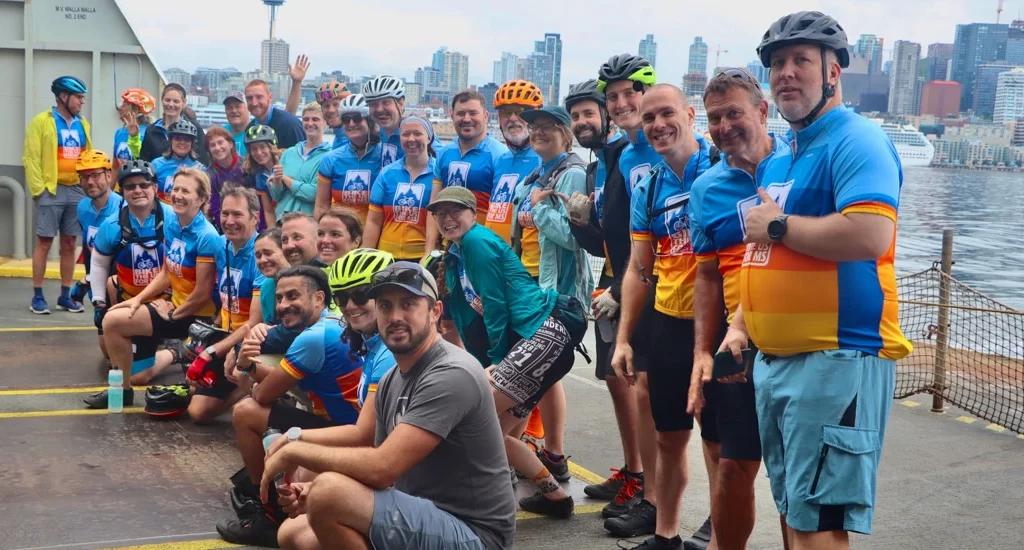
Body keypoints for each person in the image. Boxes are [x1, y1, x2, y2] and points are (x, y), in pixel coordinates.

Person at [714, 13, 911, 550]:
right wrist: (740, 323)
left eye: (801, 60)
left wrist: (776, 224)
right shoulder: (785, 157)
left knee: (819, 525)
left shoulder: (857, 140)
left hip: (836, 358)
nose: (786, 73)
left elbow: (869, 234)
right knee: (798, 513)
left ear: (833, 72)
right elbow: (767, 255)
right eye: (777, 63)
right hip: (779, 365)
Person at [260, 261, 515, 550]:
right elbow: (379, 464)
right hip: (422, 512)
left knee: (328, 492)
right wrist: (308, 490)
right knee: (295, 532)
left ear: (435, 312)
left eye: (408, 304)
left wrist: (296, 449)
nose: (395, 316)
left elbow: (383, 468)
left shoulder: (452, 372)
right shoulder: (393, 376)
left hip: (474, 534)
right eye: (384, 306)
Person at [428, 186, 587, 519]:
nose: (447, 219)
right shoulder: (457, 255)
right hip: (542, 343)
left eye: (455, 211)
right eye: (440, 214)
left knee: (469, 415)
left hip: (543, 335)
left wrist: (499, 362)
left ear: (473, 213)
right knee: (496, 434)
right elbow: (468, 317)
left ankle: (459, 500)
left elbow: (496, 306)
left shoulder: (476, 242)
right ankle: (556, 498)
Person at [607, 84, 719, 549]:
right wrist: (625, 339)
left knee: (718, 443)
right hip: (669, 323)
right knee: (670, 438)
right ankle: (665, 535)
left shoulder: (722, 169)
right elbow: (638, 267)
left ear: (691, 115)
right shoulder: (649, 184)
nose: (657, 125)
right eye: (649, 118)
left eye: (667, 114)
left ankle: (721, 524)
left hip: (717, 325)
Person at [688, 67, 791, 550]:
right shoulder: (708, 188)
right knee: (733, 467)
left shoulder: (798, 162)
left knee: (795, 482)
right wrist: (702, 353)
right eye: (714, 118)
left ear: (762, 110)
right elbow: (706, 275)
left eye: (734, 113)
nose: (724, 126)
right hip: (736, 345)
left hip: (796, 340)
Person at [216, 265, 365, 547]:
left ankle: (268, 514)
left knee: (246, 412)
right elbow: (279, 379)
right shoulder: (331, 322)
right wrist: (246, 366)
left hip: (349, 435)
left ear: (319, 298)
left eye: (293, 296)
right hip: (351, 425)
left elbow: (262, 396)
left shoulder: (312, 338)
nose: (284, 306)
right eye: (280, 298)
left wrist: (245, 366)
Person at [272, 248, 398, 549]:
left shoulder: (387, 351)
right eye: (342, 298)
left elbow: (364, 434)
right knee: (300, 501)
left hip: (402, 474)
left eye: (361, 294)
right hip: (388, 461)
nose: (351, 305)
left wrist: (293, 440)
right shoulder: (370, 342)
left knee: (295, 533)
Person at [563, 78, 646, 516]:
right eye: (576, 116)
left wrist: (618, 289)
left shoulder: (627, 161)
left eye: (589, 114)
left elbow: (644, 236)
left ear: (607, 115)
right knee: (615, 383)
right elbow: (605, 244)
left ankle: (645, 479)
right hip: (612, 285)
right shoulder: (597, 168)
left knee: (637, 386)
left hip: (635, 287)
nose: (583, 122)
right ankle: (633, 469)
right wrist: (578, 223)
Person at [509, 105, 592, 482]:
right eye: (535, 127)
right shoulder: (537, 175)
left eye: (549, 127)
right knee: (538, 373)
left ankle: (542, 451)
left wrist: (540, 208)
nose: (539, 132)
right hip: (531, 285)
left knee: (532, 372)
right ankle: (537, 450)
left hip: (558, 292)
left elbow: (574, 238)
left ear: (566, 133)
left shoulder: (572, 173)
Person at [97, 167, 220, 407]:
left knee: (197, 405)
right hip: (175, 307)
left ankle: (181, 352)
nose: (178, 195)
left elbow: (202, 294)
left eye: (186, 191)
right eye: (176, 189)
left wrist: (173, 314)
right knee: (111, 320)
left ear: (202, 199)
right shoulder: (172, 224)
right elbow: (166, 272)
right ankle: (122, 391)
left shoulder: (207, 236)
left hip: (200, 319)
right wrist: (137, 299)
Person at [84, 161, 183, 402]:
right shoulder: (112, 224)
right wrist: (99, 304)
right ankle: (136, 342)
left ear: (154, 187)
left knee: (137, 376)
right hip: (130, 299)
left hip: (165, 302)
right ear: (122, 191)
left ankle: (175, 352)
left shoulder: (174, 219)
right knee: (111, 355)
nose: (137, 190)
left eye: (143, 185)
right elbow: (98, 265)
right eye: (130, 187)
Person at [185, 185, 267, 424]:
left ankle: (247, 387)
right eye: (225, 214)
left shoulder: (261, 255)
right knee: (192, 390)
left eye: (237, 214)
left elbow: (255, 322)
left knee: (198, 412)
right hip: (227, 334)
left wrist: (211, 352)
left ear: (255, 217)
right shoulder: (220, 245)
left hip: (252, 340)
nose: (229, 221)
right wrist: (205, 339)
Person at [23, 76, 92, 315]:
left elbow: (87, 155)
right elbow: (31, 158)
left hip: (76, 190)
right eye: (79, 97)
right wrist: (39, 189)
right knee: (44, 242)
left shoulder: (83, 124)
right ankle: (38, 295)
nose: (82, 102)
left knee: (70, 243)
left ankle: (64, 295)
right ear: (64, 97)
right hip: (51, 190)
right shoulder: (42, 122)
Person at [425, 90, 509, 249]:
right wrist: (428, 250)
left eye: (473, 113)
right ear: (452, 116)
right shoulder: (443, 154)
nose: (466, 119)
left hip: (483, 247)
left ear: (485, 116)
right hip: (449, 246)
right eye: (461, 113)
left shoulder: (501, 155)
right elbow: (433, 206)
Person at [364, 116, 437, 261]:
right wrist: (365, 255)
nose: (411, 139)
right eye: (405, 134)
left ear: (429, 138)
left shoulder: (439, 173)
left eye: (417, 134)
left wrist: (428, 256)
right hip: (386, 257)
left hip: (422, 258)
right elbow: (373, 221)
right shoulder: (387, 173)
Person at [74, 150, 123, 354]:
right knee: (107, 354)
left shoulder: (123, 208)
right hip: (98, 283)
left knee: (122, 358)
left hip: (120, 285)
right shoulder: (82, 208)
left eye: (95, 175)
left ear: (109, 176)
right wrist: (89, 282)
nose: (90, 181)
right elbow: (89, 251)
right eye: (85, 177)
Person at [485, 80, 544, 244]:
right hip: (495, 256)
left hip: (524, 260)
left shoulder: (545, 158)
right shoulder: (501, 160)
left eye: (520, 112)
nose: (512, 118)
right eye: (505, 113)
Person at [597, 54, 662, 192]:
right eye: (612, 97)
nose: (621, 104)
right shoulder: (625, 159)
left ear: (649, 94)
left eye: (629, 93)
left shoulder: (675, 146)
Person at [315, 95, 383, 224]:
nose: (351, 124)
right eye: (346, 119)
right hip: (339, 233)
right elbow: (321, 205)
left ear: (370, 121)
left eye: (357, 119)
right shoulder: (331, 159)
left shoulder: (384, 155)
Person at [361, 75, 442, 169]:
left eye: (386, 103)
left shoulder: (416, 132)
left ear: (401, 103)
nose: (379, 110)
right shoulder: (383, 131)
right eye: (374, 104)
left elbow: (441, 161)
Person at [271, 102, 331, 219]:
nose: (310, 123)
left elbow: (313, 193)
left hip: (308, 223)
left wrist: (285, 178)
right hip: (282, 220)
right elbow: (276, 196)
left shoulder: (329, 156)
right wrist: (278, 180)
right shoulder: (289, 153)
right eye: (306, 119)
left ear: (325, 123)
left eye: (315, 119)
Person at [140, 83, 208, 164]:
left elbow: (202, 160)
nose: (171, 104)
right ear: (162, 100)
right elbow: (145, 161)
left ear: (184, 102)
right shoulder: (152, 130)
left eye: (176, 101)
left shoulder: (195, 128)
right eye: (167, 100)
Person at [152, 119, 205, 204]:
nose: (182, 142)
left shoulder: (200, 169)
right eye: (178, 138)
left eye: (187, 139)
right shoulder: (156, 164)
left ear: (192, 143)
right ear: (171, 141)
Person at [205, 126, 248, 231]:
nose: (217, 148)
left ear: (230, 144)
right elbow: (214, 207)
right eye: (212, 145)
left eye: (220, 142)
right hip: (224, 225)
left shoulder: (247, 166)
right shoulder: (209, 175)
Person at [245, 79, 306, 150]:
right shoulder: (250, 129)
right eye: (249, 98)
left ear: (270, 97)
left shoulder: (289, 125)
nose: (254, 103)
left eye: (259, 97)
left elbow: (302, 157)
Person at [244, 124, 284, 228]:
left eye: (262, 147)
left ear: (271, 147)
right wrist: (273, 232)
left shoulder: (286, 162)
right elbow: (268, 210)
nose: (259, 152)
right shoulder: (259, 176)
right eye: (254, 149)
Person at [113, 88, 154, 173]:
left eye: (124, 104)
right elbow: (115, 166)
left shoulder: (148, 133)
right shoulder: (119, 132)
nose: (120, 107)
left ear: (135, 111)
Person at [254, 228, 289, 324]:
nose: (263, 260)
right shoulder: (266, 286)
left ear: (285, 251)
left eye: (268, 253)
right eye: (258, 256)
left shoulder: (305, 281)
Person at [314, 80, 352, 150]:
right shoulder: (338, 138)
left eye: (336, 105)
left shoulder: (357, 140)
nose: (331, 110)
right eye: (326, 106)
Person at [223, 91, 254, 156]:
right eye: (229, 108)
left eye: (238, 106)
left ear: (248, 108)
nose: (234, 111)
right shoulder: (220, 133)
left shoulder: (257, 131)